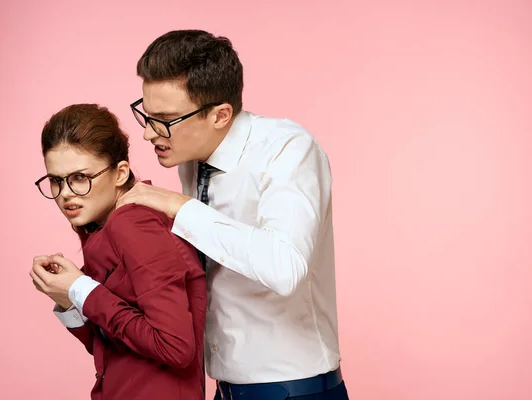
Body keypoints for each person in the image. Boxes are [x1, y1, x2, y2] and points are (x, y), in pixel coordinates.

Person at [118, 30, 350, 400]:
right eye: (146, 115)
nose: (148, 133)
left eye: (164, 119)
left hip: (293, 391)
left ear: (220, 115)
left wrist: (181, 208)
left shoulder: (287, 149)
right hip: (225, 389)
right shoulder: (193, 162)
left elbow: (284, 265)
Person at [29, 103, 207, 400]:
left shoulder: (135, 224)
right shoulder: (102, 228)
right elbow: (114, 348)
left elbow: (175, 348)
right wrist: (69, 299)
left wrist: (81, 289)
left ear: (121, 173)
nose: (67, 193)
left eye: (80, 177)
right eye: (56, 181)